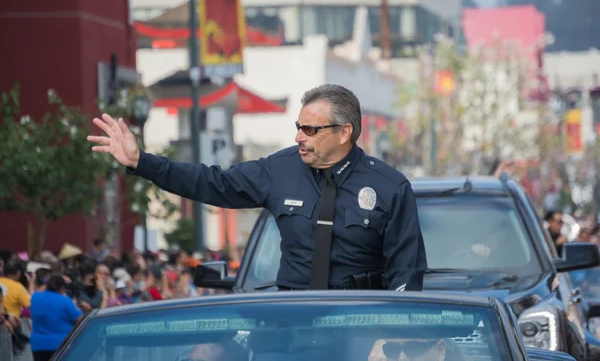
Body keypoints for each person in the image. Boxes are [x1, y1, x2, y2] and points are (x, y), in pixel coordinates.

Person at [87, 84, 427, 291]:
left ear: (344, 132)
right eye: (298, 128)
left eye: (310, 130)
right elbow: (212, 182)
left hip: (360, 323)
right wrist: (141, 162)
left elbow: (406, 273)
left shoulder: (389, 187)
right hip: (292, 320)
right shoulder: (278, 169)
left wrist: (393, 336)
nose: (299, 138)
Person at [30, 275, 83, 361]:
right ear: (62, 287)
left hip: (38, 345)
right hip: (61, 344)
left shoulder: (35, 297)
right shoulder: (65, 300)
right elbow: (79, 319)